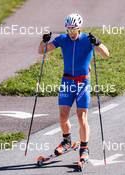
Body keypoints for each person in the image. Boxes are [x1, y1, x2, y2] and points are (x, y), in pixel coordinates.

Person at [38, 13, 109, 162]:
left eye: (74, 30)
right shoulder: (63, 39)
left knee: (81, 117)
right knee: (63, 115)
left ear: (79, 28)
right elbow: (41, 50)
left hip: (83, 82)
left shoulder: (87, 40)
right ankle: (67, 141)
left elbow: (106, 54)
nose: (71, 33)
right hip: (67, 81)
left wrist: (98, 43)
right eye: (69, 30)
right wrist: (44, 41)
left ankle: (84, 148)